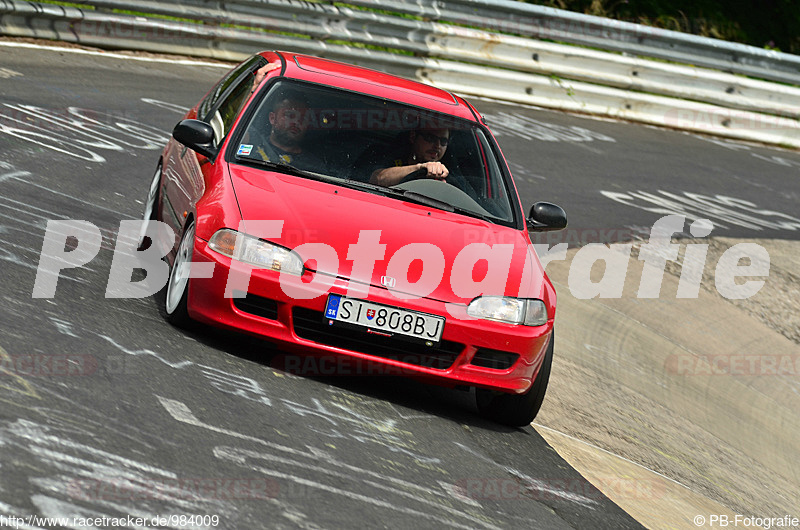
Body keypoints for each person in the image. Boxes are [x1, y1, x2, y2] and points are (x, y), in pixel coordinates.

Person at [369, 128, 451, 186]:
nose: (437, 145)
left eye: (443, 141)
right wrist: (419, 168)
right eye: (430, 138)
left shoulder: (449, 172)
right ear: (413, 136)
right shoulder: (391, 154)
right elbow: (377, 178)